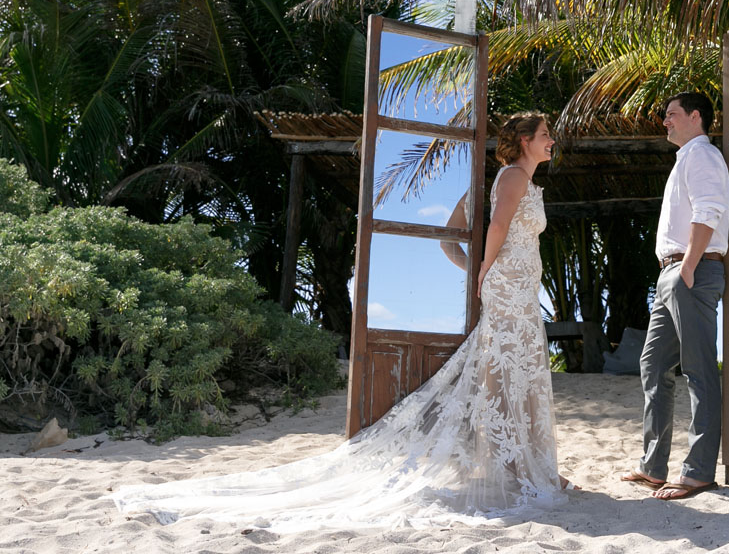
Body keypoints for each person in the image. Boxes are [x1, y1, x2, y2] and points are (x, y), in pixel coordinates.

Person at [113, 113, 572, 530]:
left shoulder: (529, 184)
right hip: (508, 289)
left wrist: (487, 271)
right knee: (507, 376)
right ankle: (520, 471)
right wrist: (484, 272)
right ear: (526, 140)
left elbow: (470, 235)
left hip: (521, 290)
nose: (552, 141)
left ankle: (530, 469)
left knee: (522, 376)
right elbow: (491, 230)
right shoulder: (510, 177)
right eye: (546, 135)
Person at [621, 91, 729, 501]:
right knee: (653, 365)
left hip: (692, 271)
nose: (665, 121)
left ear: (695, 117)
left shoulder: (702, 156)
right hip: (673, 273)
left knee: (699, 370)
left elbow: (710, 209)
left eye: (671, 115)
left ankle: (699, 472)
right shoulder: (685, 159)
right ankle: (653, 467)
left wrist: (687, 268)